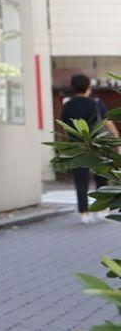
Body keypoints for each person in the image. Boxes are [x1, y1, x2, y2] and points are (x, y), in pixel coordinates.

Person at [59, 72, 112, 220]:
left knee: (80, 179)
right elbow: (108, 123)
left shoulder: (67, 105)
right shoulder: (96, 103)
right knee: (101, 176)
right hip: (96, 144)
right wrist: (116, 140)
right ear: (88, 86)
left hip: (77, 146)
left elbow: (64, 127)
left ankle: (84, 213)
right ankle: (102, 210)